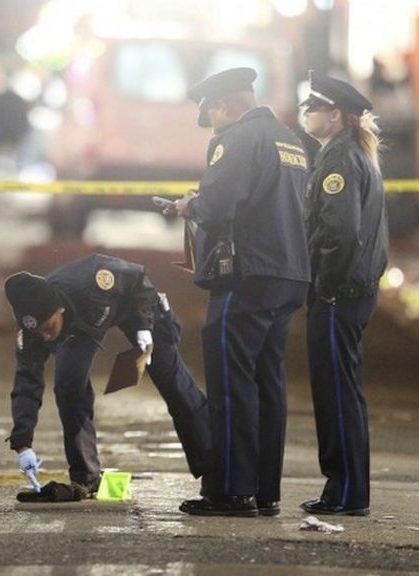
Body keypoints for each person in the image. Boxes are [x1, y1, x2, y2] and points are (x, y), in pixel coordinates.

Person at [171, 68, 311, 517]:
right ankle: (265, 491)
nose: (211, 126)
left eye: (209, 116)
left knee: (232, 384)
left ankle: (231, 491)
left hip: (245, 275)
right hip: (288, 274)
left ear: (223, 105)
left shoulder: (236, 139)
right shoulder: (290, 140)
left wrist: (191, 205)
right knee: (269, 384)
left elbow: (218, 205)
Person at [3, 255, 212, 495]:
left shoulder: (91, 281)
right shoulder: (33, 335)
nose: (46, 337)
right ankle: (86, 476)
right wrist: (22, 443)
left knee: (171, 378)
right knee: (69, 385)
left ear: (58, 307)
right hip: (82, 328)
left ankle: (214, 465)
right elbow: (26, 384)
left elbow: (138, 279)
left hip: (136, 305)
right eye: (38, 333)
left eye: (49, 328)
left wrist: (144, 325)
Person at [299, 71, 388, 516]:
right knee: (340, 391)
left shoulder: (339, 159)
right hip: (351, 289)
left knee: (336, 394)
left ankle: (347, 491)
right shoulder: (347, 153)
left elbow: (340, 231)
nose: (305, 113)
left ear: (335, 115)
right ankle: (343, 488)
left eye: (312, 106)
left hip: (340, 292)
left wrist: (325, 284)